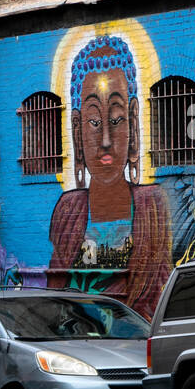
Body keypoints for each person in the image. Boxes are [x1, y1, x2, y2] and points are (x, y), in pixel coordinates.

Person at [47, 35, 171, 319]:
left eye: (116, 120)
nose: (105, 140)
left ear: (134, 122)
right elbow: (53, 300)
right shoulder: (68, 211)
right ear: (77, 130)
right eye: (93, 122)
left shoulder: (152, 207)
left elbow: (158, 298)